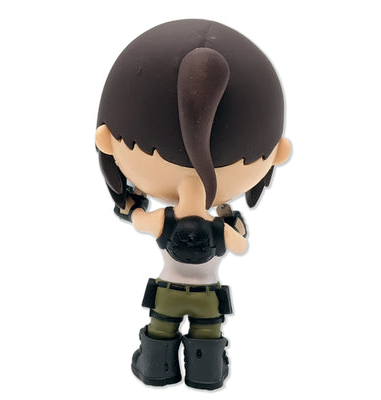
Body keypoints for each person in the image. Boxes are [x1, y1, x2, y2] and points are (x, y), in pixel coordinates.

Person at [95, 19, 291, 390]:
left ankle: (156, 367)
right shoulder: (221, 229)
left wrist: (130, 208)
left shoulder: (164, 221)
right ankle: (207, 372)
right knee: (208, 334)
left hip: (168, 293)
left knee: (161, 329)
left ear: (106, 139)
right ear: (278, 153)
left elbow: (139, 220)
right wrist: (232, 224)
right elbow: (240, 246)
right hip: (208, 297)